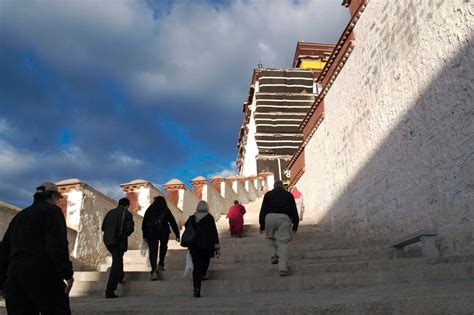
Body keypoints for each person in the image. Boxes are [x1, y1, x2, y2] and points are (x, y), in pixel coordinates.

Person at [0, 182, 74, 314]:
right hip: (43, 274)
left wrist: (2, 283)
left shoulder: (19, 217)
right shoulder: (52, 211)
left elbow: (4, 251)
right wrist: (67, 273)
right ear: (52, 197)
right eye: (57, 199)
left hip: (14, 277)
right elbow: (57, 245)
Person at [259, 180, 299, 277]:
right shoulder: (289, 195)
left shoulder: (268, 194)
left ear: (274, 186)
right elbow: (294, 210)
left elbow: (263, 209)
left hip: (269, 217)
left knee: (269, 237)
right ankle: (283, 268)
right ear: (282, 186)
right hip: (284, 218)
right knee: (283, 243)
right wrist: (295, 226)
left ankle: (273, 255)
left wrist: (262, 225)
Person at [185, 201, 220, 298]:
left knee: (196, 268)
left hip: (194, 246)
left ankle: (196, 288)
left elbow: (186, 226)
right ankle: (203, 274)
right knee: (205, 261)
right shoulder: (209, 218)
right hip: (207, 245)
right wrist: (217, 246)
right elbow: (214, 232)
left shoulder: (192, 218)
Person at [102, 197, 134, 298]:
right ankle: (110, 290)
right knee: (116, 263)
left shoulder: (110, 212)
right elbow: (129, 229)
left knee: (117, 259)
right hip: (119, 242)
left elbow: (103, 227)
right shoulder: (127, 214)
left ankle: (120, 276)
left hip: (108, 241)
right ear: (127, 205)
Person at [142, 196, 180, 280]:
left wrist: (144, 235)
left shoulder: (150, 209)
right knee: (163, 247)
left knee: (153, 251)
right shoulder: (166, 210)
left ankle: (154, 271)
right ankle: (161, 264)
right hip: (164, 232)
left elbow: (144, 222)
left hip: (152, 233)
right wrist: (177, 234)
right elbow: (172, 222)